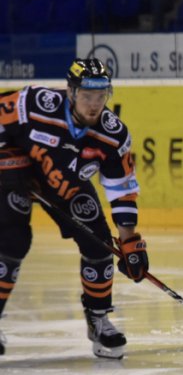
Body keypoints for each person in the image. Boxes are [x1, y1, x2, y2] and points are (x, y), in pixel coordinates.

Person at [0, 59, 149, 359]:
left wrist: (129, 241)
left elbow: (121, 189)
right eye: (87, 95)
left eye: (101, 96)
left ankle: (98, 320)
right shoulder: (36, 103)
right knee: (13, 242)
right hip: (17, 176)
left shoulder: (113, 135)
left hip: (64, 184)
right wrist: (7, 160)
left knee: (99, 244)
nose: (94, 104)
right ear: (71, 92)